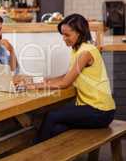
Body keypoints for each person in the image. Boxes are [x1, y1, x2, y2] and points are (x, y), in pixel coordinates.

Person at [14, 13, 116, 143]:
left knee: (51, 116)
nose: (63, 38)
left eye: (67, 35)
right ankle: (46, 152)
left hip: (100, 111)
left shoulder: (85, 52)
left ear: (80, 33)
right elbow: (67, 75)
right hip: (92, 108)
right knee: (56, 128)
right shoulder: (77, 50)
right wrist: (46, 80)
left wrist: (35, 86)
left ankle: (37, 152)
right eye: (62, 34)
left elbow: (65, 83)